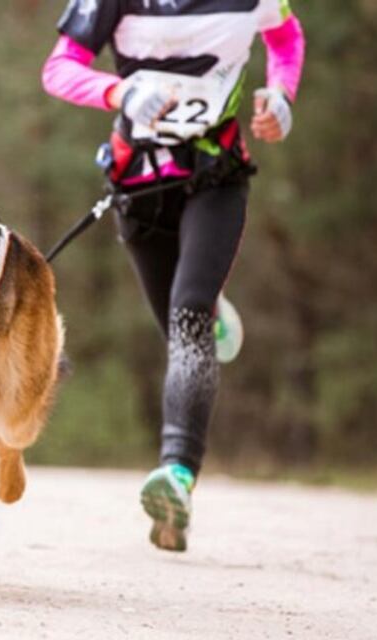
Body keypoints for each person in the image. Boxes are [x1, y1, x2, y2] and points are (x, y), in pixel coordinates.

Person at [42, 0, 305, 551]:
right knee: (179, 330)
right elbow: (59, 69)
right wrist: (120, 92)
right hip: (137, 186)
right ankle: (209, 310)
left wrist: (282, 95)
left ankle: (177, 476)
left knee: (188, 321)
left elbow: (287, 38)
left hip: (217, 178)